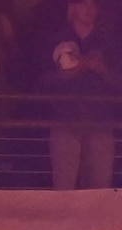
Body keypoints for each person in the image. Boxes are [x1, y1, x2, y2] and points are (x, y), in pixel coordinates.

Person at [45, 0, 117, 190]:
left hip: (100, 120)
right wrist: (78, 68)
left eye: (93, 5)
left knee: (100, 188)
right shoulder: (55, 40)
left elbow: (118, 81)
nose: (89, 9)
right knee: (64, 187)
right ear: (73, 8)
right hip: (66, 119)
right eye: (84, 4)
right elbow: (44, 80)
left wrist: (103, 70)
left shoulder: (110, 43)